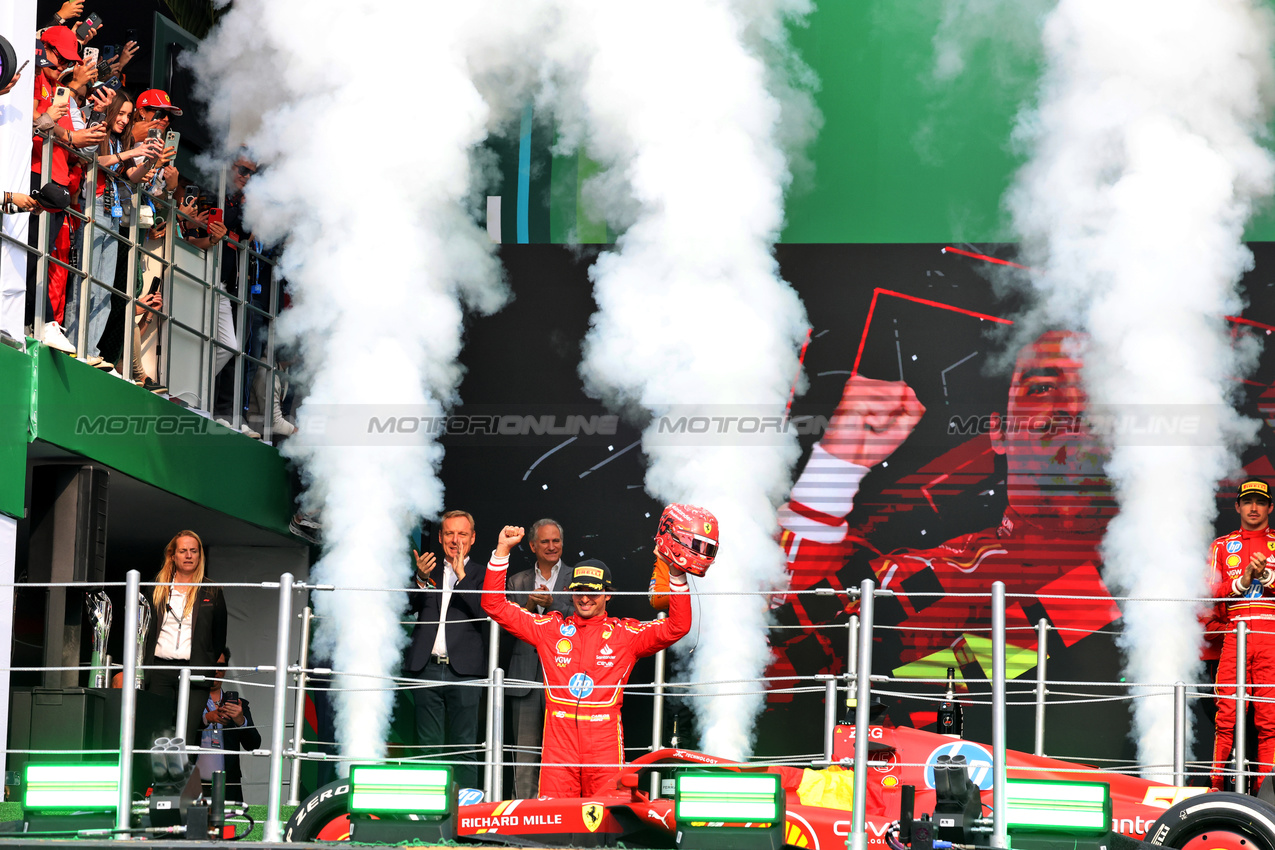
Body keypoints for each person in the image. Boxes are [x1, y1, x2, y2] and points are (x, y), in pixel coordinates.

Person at [771, 331, 1123, 741]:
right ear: (1000, 432)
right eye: (1043, 388)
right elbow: (778, 666)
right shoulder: (920, 576)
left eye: (1099, 389)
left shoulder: (1186, 583)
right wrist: (836, 468)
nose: (1074, 406)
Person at [482, 511, 710, 798]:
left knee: (607, 825)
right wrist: (502, 551)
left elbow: (678, 626)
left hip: (603, 744)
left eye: (593, 591)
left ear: (608, 594)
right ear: (569, 592)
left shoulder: (625, 635)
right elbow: (493, 605)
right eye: (578, 591)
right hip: (558, 744)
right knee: (555, 826)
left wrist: (676, 574)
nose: (585, 598)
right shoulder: (549, 628)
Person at [403, 510, 488, 790]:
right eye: (449, 533)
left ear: (473, 538)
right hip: (426, 667)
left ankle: (468, 815)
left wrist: (462, 576)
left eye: (462, 534)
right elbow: (404, 607)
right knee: (427, 747)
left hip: (464, 671)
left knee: (464, 746)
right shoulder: (428, 570)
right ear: (440, 538)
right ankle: (427, 809)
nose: (456, 540)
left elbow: (484, 612)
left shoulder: (483, 574)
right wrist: (419, 579)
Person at [1208, 478, 1275, 793]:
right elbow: (1210, 596)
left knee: (1269, 720)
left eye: (1260, 502)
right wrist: (1244, 579)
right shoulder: (1222, 546)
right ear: (1237, 506)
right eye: (1247, 501)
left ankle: (1265, 793)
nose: (1253, 508)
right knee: (1227, 716)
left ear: (1270, 507)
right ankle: (1216, 788)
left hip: (1270, 634)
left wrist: (1267, 576)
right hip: (1235, 633)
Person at [504, 518, 573, 798]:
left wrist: (552, 604)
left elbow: (584, 618)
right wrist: (529, 607)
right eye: (544, 541)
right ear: (532, 545)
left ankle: (559, 814)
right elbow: (505, 627)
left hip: (564, 677)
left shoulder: (576, 576)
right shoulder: (517, 581)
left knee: (561, 753)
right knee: (524, 755)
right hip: (525, 676)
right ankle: (522, 818)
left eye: (556, 540)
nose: (551, 546)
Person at [143, 530, 228, 741]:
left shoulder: (212, 590)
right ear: (173, 555)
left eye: (193, 551)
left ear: (200, 556)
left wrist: (205, 660)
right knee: (157, 732)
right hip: (159, 669)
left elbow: (219, 636)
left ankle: (181, 774)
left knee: (186, 735)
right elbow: (142, 630)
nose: (188, 555)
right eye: (183, 551)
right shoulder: (155, 588)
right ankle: (156, 774)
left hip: (194, 672)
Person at [199, 648, 262, 803]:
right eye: (211, 666)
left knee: (230, 826)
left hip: (228, 784)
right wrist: (206, 718)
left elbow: (253, 745)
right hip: (194, 781)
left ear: (225, 670)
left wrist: (241, 721)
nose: (216, 671)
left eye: (220, 666)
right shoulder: (189, 701)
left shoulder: (238, 704)